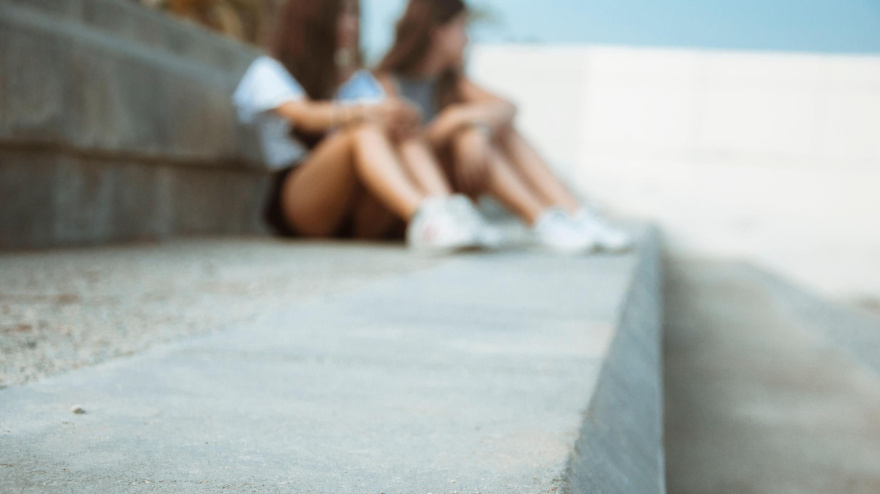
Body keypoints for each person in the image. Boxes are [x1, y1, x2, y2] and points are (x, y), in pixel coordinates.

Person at [233, 0, 493, 252]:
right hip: (300, 200)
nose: (353, 25)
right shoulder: (269, 70)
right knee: (365, 129)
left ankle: (446, 210)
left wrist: (397, 114)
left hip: (357, 208)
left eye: (355, 15)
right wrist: (367, 112)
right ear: (314, 17)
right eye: (343, 14)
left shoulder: (358, 81)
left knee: (397, 126)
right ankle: (423, 215)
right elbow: (304, 115)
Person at [376, 0, 632, 253]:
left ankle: (572, 214)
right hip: (421, 195)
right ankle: (540, 218)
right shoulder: (387, 82)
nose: (467, 39)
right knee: (467, 134)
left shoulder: (452, 82)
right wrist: (454, 121)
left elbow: (508, 107)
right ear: (439, 33)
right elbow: (406, 146)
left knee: (494, 129)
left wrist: (478, 128)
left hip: (458, 186)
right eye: (462, 28)